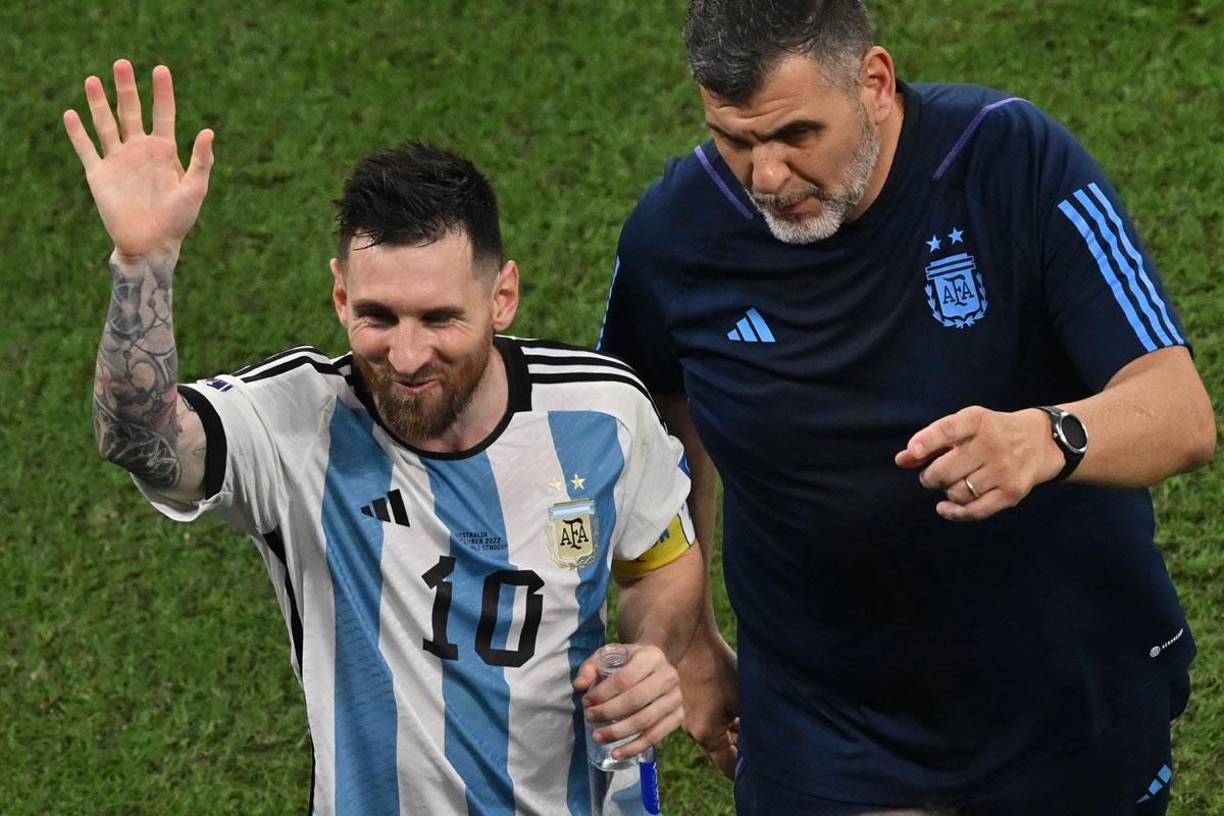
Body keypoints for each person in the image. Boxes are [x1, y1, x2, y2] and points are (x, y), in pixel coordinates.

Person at [596, 1, 1216, 813]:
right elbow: (641, 430)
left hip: (1066, 692)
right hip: (824, 721)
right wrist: (689, 641)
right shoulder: (675, 234)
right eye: (736, 140)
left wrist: (1047, 436)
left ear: (875, 83)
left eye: (795, 136)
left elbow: (1180, 410)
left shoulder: (1009, 158)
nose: (767, 178)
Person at [67, 59, 704, 816]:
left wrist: (653, 652)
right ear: (340, 294)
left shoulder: (603, 411)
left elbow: (660, 562)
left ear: (502, 295)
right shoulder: (297, 423)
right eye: (377, 316)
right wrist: (143, 265)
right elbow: (140, 440)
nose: (405, 357)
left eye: (439, 319)